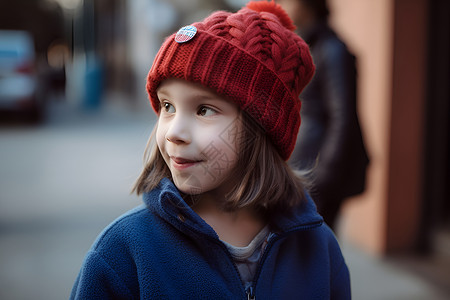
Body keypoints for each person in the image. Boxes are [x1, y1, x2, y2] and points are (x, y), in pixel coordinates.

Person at [70, 1, 351, 299]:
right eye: (168, 106)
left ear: (262, 128)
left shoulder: (318, 248)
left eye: (204, 110)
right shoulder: (124, 253)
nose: (174, 132)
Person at [277, 0, 370, 230]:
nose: (280, 5)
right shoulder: (306, 46)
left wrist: (323, 176)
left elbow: (343, 117)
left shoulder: (332, 50)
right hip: (302, 167)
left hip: (318, 171)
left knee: (314, 251)